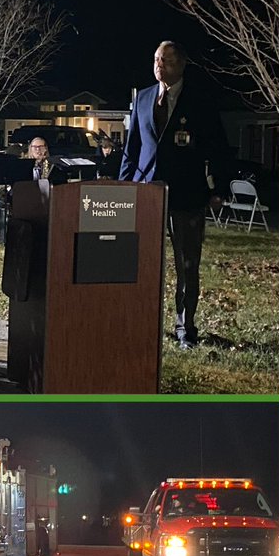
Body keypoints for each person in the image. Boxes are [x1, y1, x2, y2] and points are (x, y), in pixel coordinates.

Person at [119, 40, 230, 349]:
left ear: (181, 65)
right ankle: (143, 324)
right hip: (146, 194)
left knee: (187, 265)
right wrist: (123, 187)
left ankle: (185, 329)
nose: (158, 65)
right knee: (142, 263)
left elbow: (218, 147)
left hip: (187, 195)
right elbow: (132, 150)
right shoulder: (142, 99)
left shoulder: (200, 100)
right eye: (156, 59)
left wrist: (218, 189)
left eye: (165, 60)